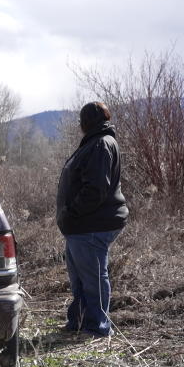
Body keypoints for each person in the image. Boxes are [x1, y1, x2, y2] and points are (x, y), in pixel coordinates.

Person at [55, 101, 129, 338]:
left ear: (84, 123)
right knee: (80, 277)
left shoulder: (100, 144)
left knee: (93, 278)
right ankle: (78, 321)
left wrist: (71, 212)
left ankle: (97, 328)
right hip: (81, 226)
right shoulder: (96, 143)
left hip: (91, 224)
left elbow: (95, 191)